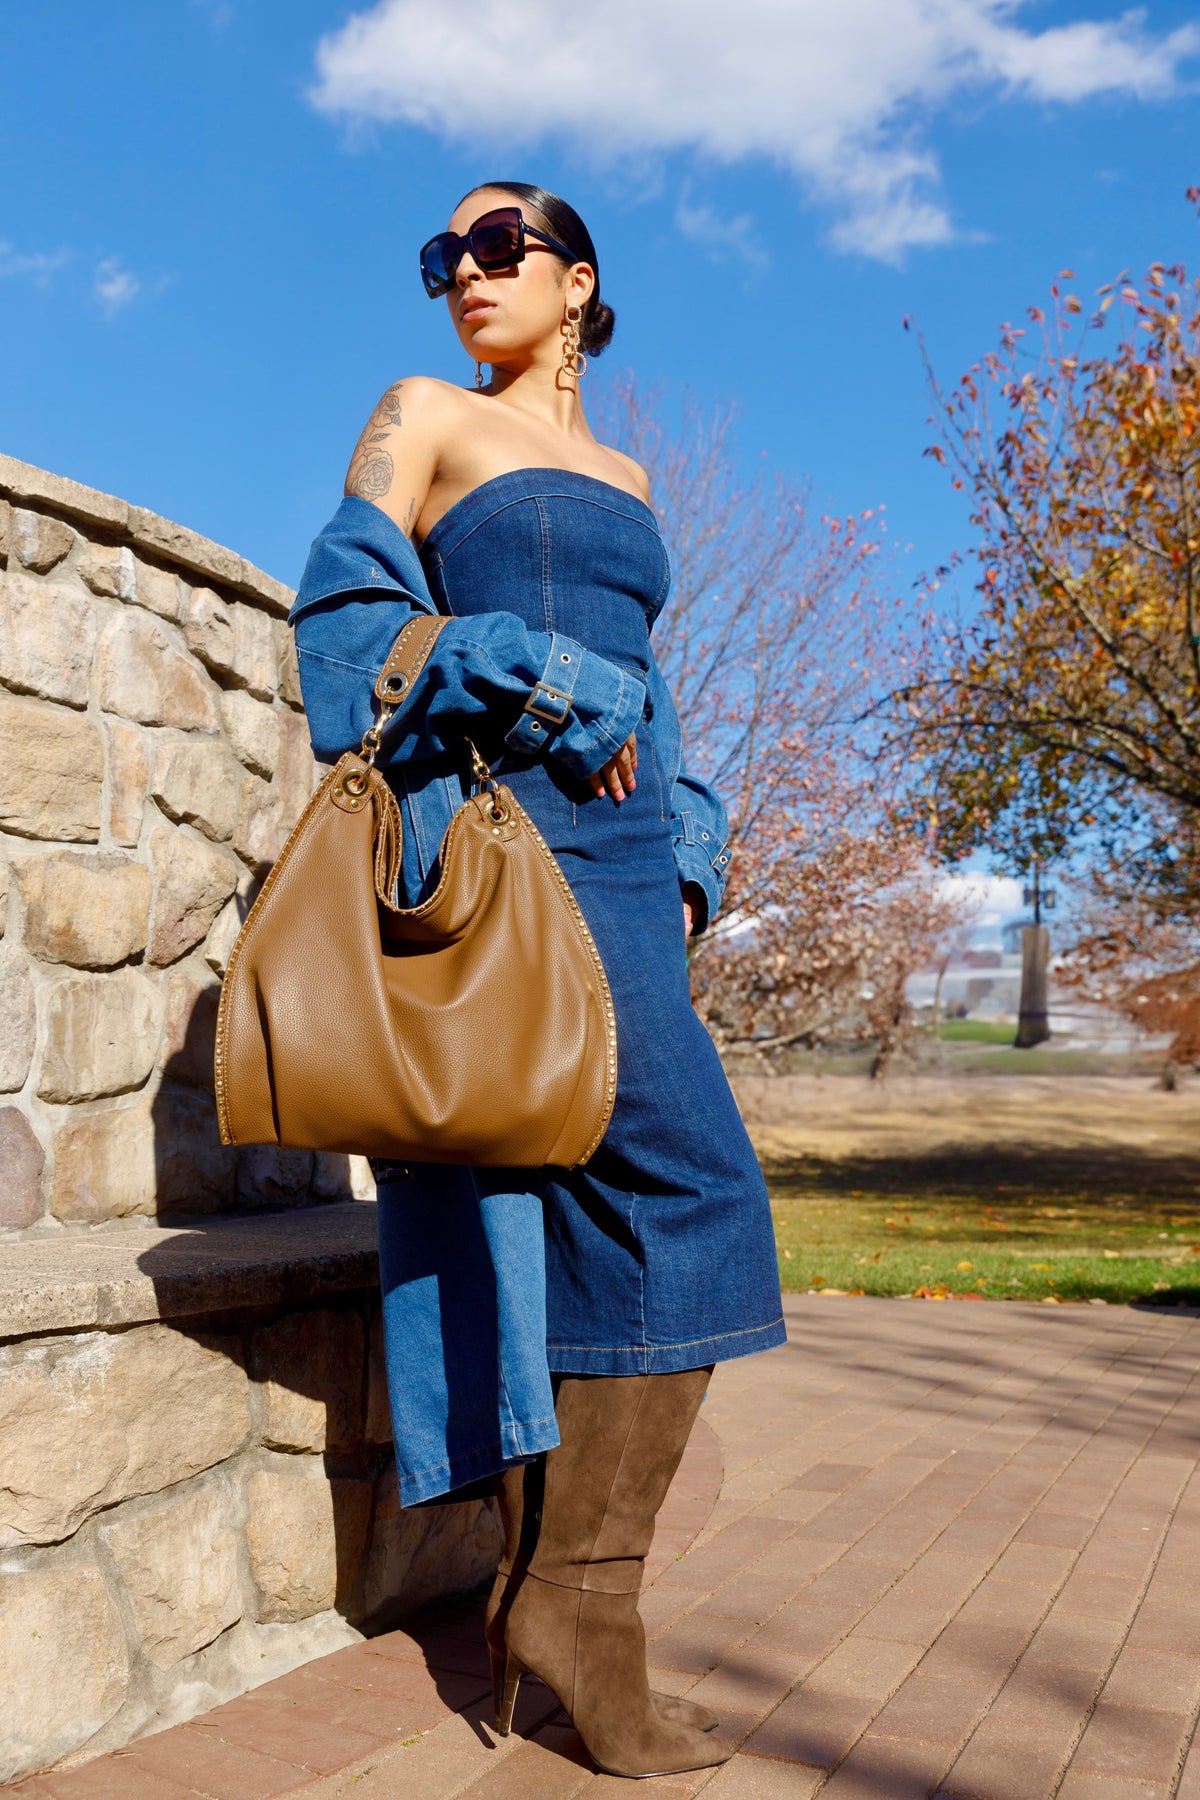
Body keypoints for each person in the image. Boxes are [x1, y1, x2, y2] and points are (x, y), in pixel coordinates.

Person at [290, 182, 785, 1780]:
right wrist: (547, 676)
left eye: (499, 249)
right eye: (444, 258)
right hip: (512, 848)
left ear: (579, 283)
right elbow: (345, 633)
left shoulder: (634, 477)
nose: (464, 278)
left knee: (602, 1209)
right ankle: (581, 1605)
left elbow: (662, 694)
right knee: (697, 1186)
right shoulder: (423, 415)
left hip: (636, 869)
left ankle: (555, 1595)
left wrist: (695, 847)